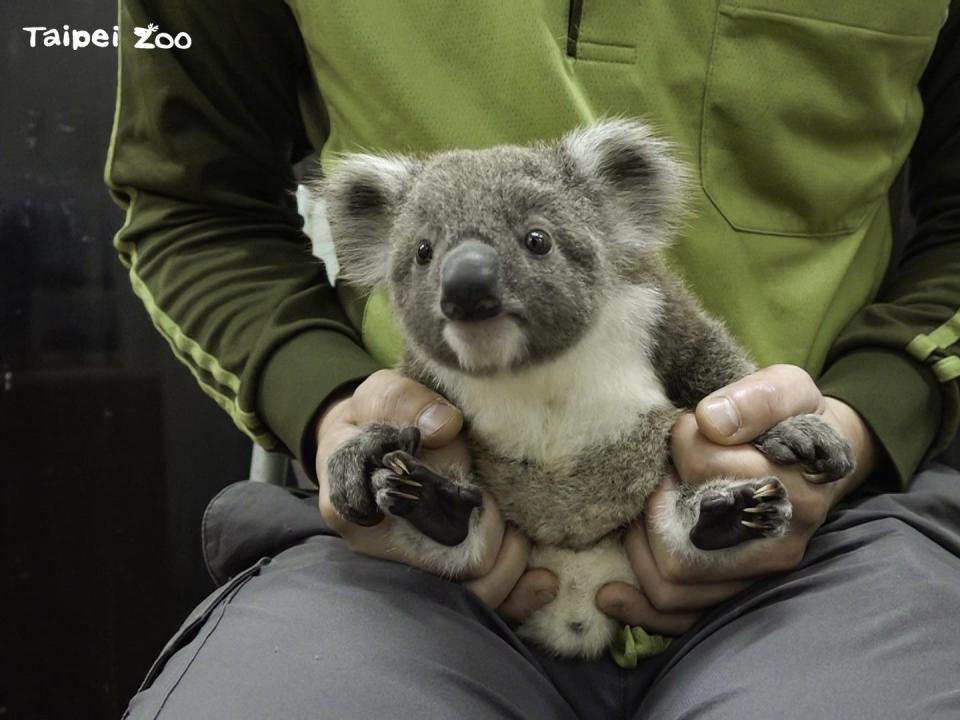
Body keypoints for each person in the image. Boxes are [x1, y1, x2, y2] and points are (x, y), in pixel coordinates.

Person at [108, 1, 960, 718]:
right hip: (414, 558)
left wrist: (861, 420)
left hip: (830, 531)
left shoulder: (651, 308)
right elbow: (190, 203)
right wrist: (331, 411)